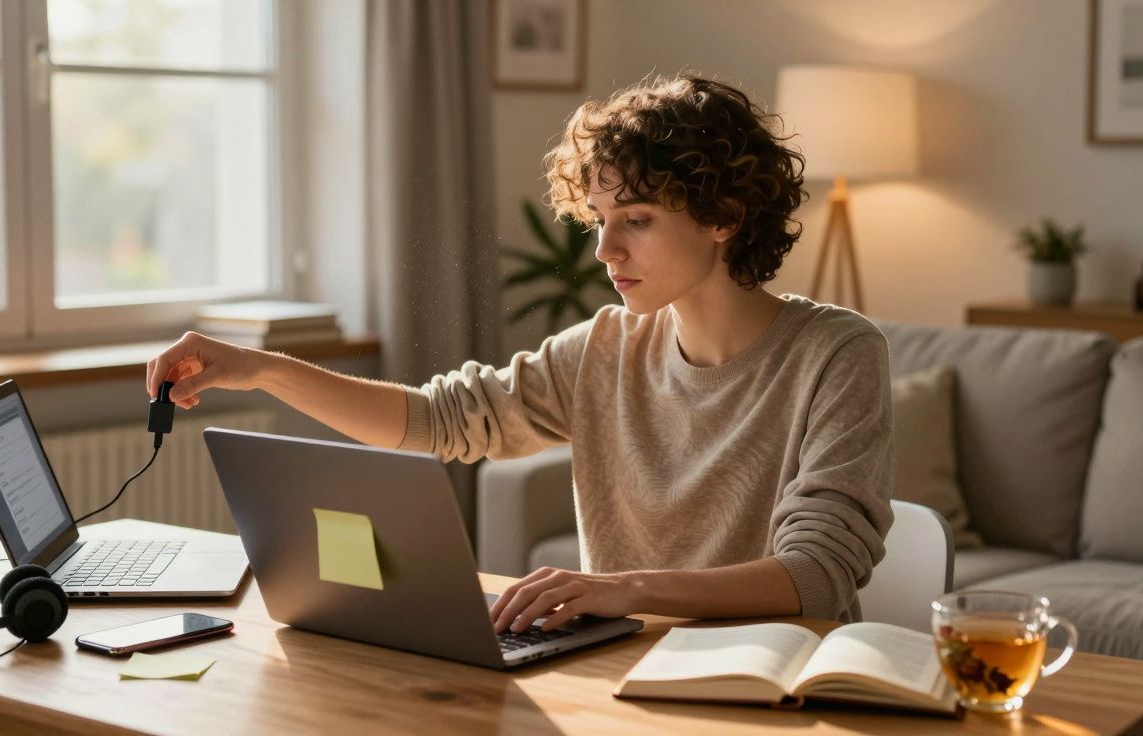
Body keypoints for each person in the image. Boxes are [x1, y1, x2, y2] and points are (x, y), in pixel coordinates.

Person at [146, 74, 894, 634]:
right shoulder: (605, 348)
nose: (605, 250)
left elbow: (816, 575)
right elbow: (437, 421)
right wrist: (263, 369)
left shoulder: (837, 353)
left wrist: (621, 590)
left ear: (724, 216)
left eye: (636, 220)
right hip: (622, 673)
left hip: (770, 686)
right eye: (599, 219)